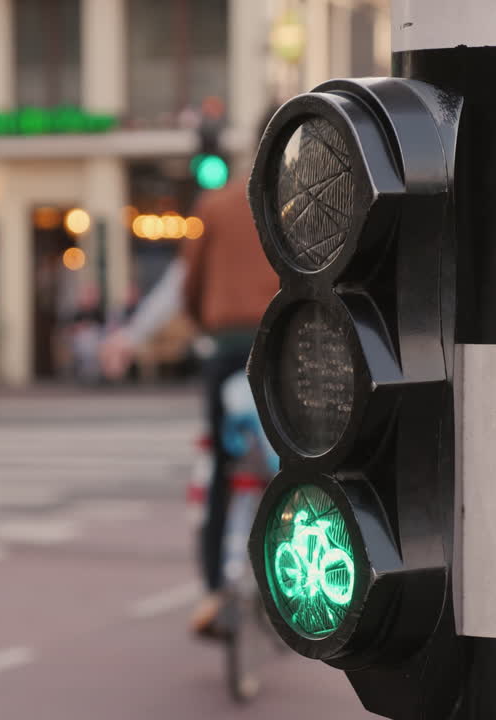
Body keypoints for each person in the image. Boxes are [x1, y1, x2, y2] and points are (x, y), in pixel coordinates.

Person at [102, 110, 280, 635]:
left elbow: (185, 286)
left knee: (222, 467)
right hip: (281, 349)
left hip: (226, 351)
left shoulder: (217, 205)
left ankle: (212, 591)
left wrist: (149, 335)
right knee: (301, 460)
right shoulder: (298, 206)